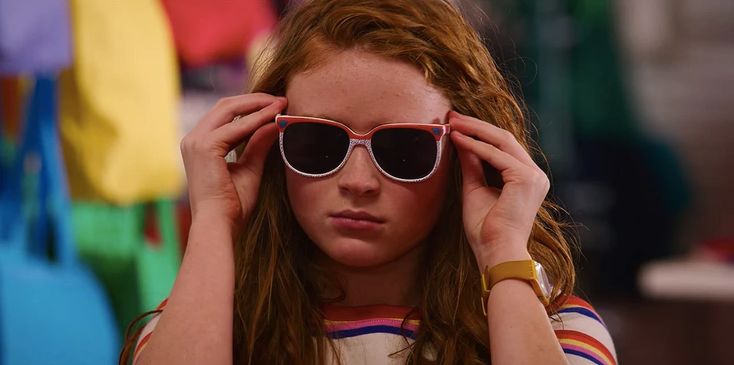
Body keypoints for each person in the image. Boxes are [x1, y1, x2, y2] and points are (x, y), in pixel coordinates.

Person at [122, 0, 616, 364]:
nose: (358, 182)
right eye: (319, 144)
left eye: (403, 150)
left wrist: (503, 248)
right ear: (270, 146)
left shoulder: (552, 328)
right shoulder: (202, 321)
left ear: (467, 153)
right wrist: (214, 217)